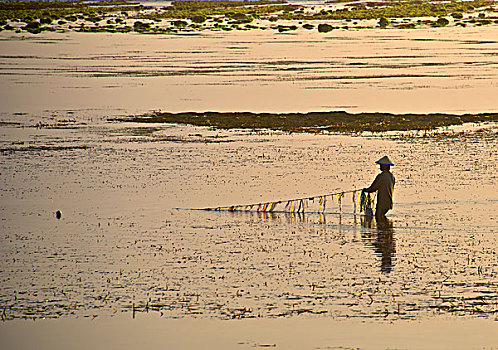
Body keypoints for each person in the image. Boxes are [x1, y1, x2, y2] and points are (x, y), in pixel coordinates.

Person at [363, 156, 395, 221]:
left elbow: (373, 187)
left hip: (382, 202)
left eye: (381, 165)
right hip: (388, 202)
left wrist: (366, 190)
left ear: (385, 166)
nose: (380, 167)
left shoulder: (381, 176)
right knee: (382, 218)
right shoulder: (391, 176)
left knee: (379, 217)